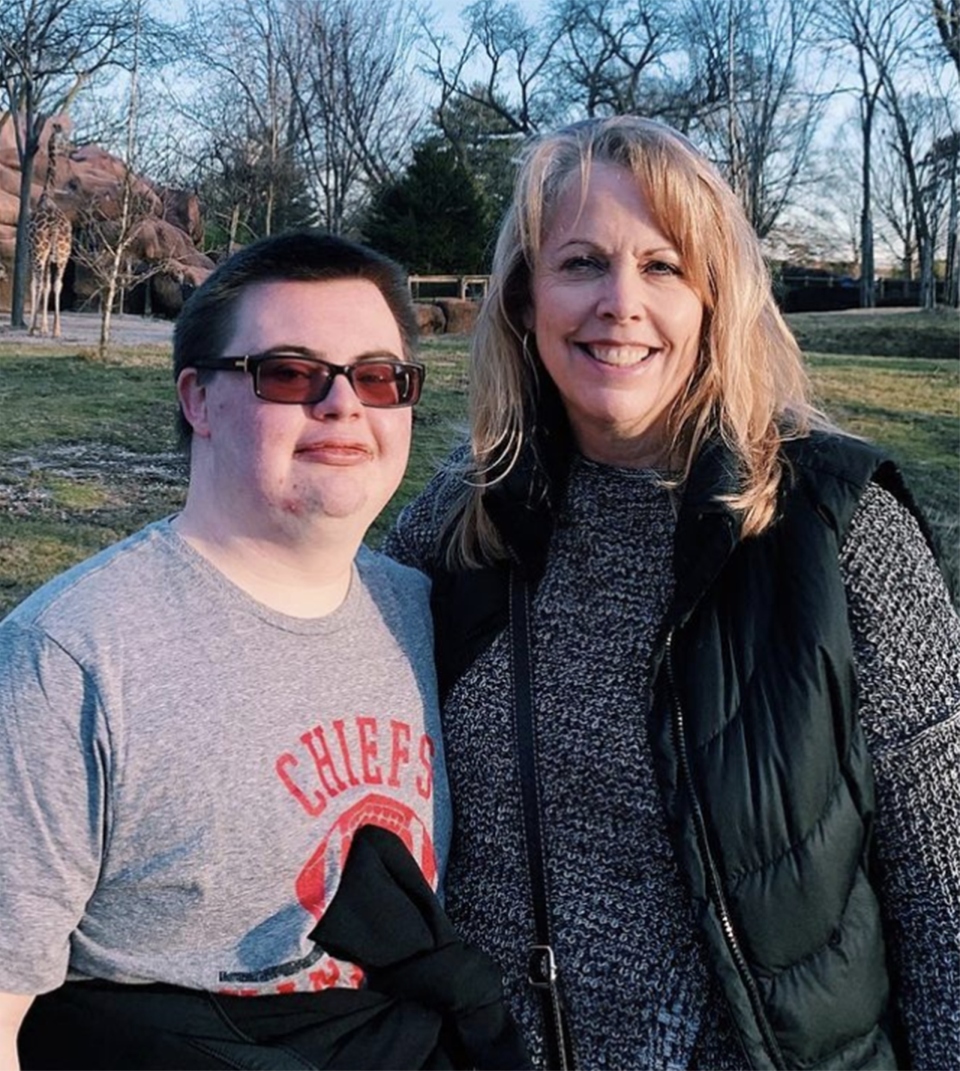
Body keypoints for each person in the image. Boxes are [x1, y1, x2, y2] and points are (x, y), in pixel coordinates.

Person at [385, 116, 960, 1071]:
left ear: (715, 299)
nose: (621, 303)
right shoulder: (465, 510)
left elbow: (946, 885)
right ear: (526, 301)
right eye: (580, 262)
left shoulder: (837, 524)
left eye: (663, 266)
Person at [0, 231, 529, 1071]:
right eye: (290, 372)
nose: (344, 404)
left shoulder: (420, 613)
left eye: (378, 376)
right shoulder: (69, 658)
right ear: (198, 400)